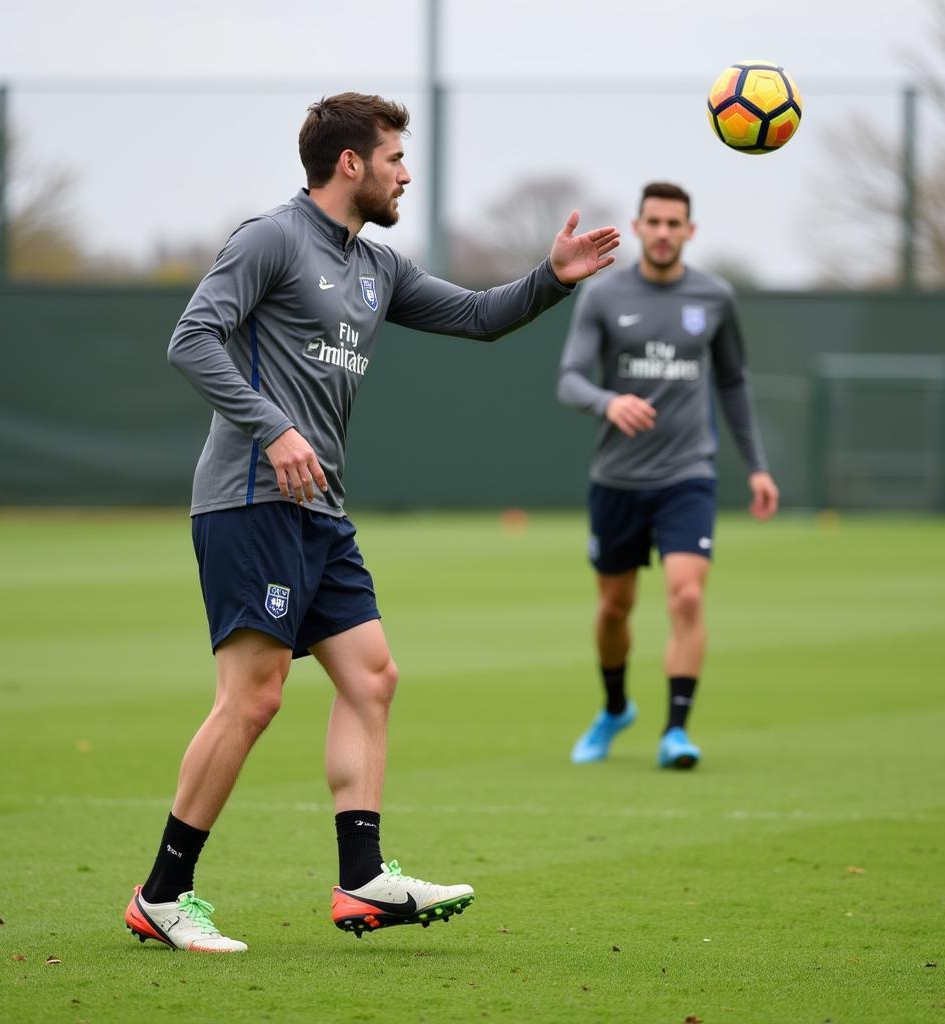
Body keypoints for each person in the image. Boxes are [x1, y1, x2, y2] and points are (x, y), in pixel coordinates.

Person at [123, 92, 620, 953]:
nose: (405, 172)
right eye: (395, 157)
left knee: (372, 678)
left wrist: (551, 280)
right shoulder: (270, 237)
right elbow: (191, 339)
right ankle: (162, 895)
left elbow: (475, 317)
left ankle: (362, 881)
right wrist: (273, 428)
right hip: (250, 498)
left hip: (319, 509)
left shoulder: (377, 265)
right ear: (350, 162)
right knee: (254, 698)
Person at [557, 181, 778, 771]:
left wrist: (757, 467)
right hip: (617, 479)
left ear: (689, 231)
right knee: (614, 609)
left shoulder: (715, 297)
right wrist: (608, 402)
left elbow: (733, 383)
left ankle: (676, 731)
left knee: (685, 593)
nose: (662, 232)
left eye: (673, 223)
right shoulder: (603, 295)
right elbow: (570, 378)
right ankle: (614, 708)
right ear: (637, 226)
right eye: (652, 222)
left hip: (687, 475)